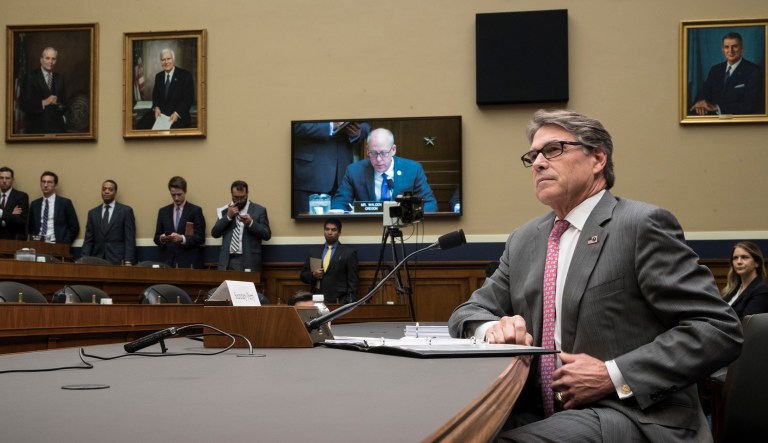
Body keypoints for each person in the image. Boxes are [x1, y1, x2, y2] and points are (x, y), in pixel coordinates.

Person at [448, 109, 743, 442]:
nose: (539, 163)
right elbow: (467, 314)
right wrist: (492, 329)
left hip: (630, 413)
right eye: (533, 156)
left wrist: (613, 374)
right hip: (538, 410)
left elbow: (717, 329)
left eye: (553, 150)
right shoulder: (524, 240)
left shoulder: (640, 225)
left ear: (598, 158)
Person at [331, 128, 438, 212]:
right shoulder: (354, 171)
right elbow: (339, 203)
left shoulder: (413, 169)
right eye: (373, 153)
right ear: (367, 150)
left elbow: (430, 204)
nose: (378, 159)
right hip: (368, 228)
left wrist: (407, 212)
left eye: (383, 153)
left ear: (393, 150)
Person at [292, 121, 370, 215]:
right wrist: (330, 126)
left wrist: (358, 133)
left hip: (343, 173)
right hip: (311, 174)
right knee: (308, 226)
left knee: (342, 226)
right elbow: (295, 125)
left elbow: (366, 124)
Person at [690, 32, 765, 116]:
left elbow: (750, 105)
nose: (730, 51)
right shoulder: (715, 70)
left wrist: (717, 108)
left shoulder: (753, 71)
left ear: (742, 48)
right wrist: (700, 103)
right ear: (723, 50)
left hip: (738, 123)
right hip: (713, 121)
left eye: (735, 46)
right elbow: (703, 92)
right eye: (726, 47)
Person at [211, 180, 271, 272]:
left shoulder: (259, 210)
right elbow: (215, 233)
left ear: (247, 193)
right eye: (236, 197)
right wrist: (227, 217)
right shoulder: (225, 211)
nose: (239, 201)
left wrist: (251, 223)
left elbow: (267, 235)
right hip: (227, 261)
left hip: (248, 260)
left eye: (242, 197)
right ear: (231, 194)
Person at [300, 218, 359, 304]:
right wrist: (313, 275)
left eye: (333, 230)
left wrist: (349, 301)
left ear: (339, 232)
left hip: (340, 301)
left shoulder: (349, 253)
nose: (329, 233)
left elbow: (353, 281)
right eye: (327, 229)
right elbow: (303, 276)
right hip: (318, 300)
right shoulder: (314, 251)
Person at [153, 176, 207, 269]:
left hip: (189, 262)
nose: (176, 198)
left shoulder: (195, 210)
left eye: (179, 194)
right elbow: (156, 237)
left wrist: (182, 238)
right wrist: (162, 238)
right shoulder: (163, 212)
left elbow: (200, 237)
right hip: (168, 262)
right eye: (173, 195)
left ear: (185, 192)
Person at [136, 49, 195, 129]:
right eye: (163, 60)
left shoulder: (185, 75)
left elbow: (189, 99)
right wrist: (156, 107)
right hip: (160, 115)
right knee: (140, 126)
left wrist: (177, 114)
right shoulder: (159, 76)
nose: (166, 62)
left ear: (173, 60)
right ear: (161, 62)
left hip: (177, 116)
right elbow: (155, 96)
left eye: (168, 59)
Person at [81, 180, 136, 265]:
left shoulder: (126, 211)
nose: (106, 191)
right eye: (104, 189)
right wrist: (84, 259)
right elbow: (88, 240)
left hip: (118, 259)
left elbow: (129, 239)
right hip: (97, 259)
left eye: (110, 189)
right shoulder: (93, 213)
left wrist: (128, 261)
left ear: (115, 192)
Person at [20, 47, 67, 133]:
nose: (51, 62)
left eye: (53, 59)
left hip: (58, 129)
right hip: (37, 129)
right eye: (47, 58)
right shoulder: (30, 77)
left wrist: (63, 118)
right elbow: (23, 104)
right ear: (41, 60)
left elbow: (64, 102)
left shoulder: (60, 78)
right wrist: (44, 102)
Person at [28, 171, 79, 245]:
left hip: (57, 244)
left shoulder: (65, 203)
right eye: (43, 182)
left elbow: (74, 227)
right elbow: (30, 227)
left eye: (49, 182)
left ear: (55, 185)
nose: (45, 185)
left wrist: (65, 243)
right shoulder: (35, 204)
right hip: (37, 244)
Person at [721, 241, 768, 318]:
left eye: (744, 257)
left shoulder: (762, 290)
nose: (739, 262)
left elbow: (747, 324)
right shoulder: (731, 290)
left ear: (757, 263)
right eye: (735, 258)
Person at [0, 166, 29, 240]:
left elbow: (20, 220)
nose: (4, 181)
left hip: (13, 240)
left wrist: (1, 213)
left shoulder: (21, 196)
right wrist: (11, 214)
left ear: (12, 180)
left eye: (7, 178)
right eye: (1, 178)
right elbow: (13, 218)